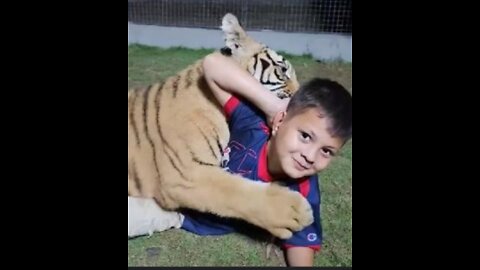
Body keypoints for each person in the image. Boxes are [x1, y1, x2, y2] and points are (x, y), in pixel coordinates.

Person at [128, 52, 352, 267]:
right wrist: (273, 105)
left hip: (180, 214)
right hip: (178, 175)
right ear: (280, 121)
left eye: (326, 151)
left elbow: (301, 241)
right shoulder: (252, 123)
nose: (310, 156)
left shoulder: (303, 189)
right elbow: (213, 65)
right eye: (305, 136)